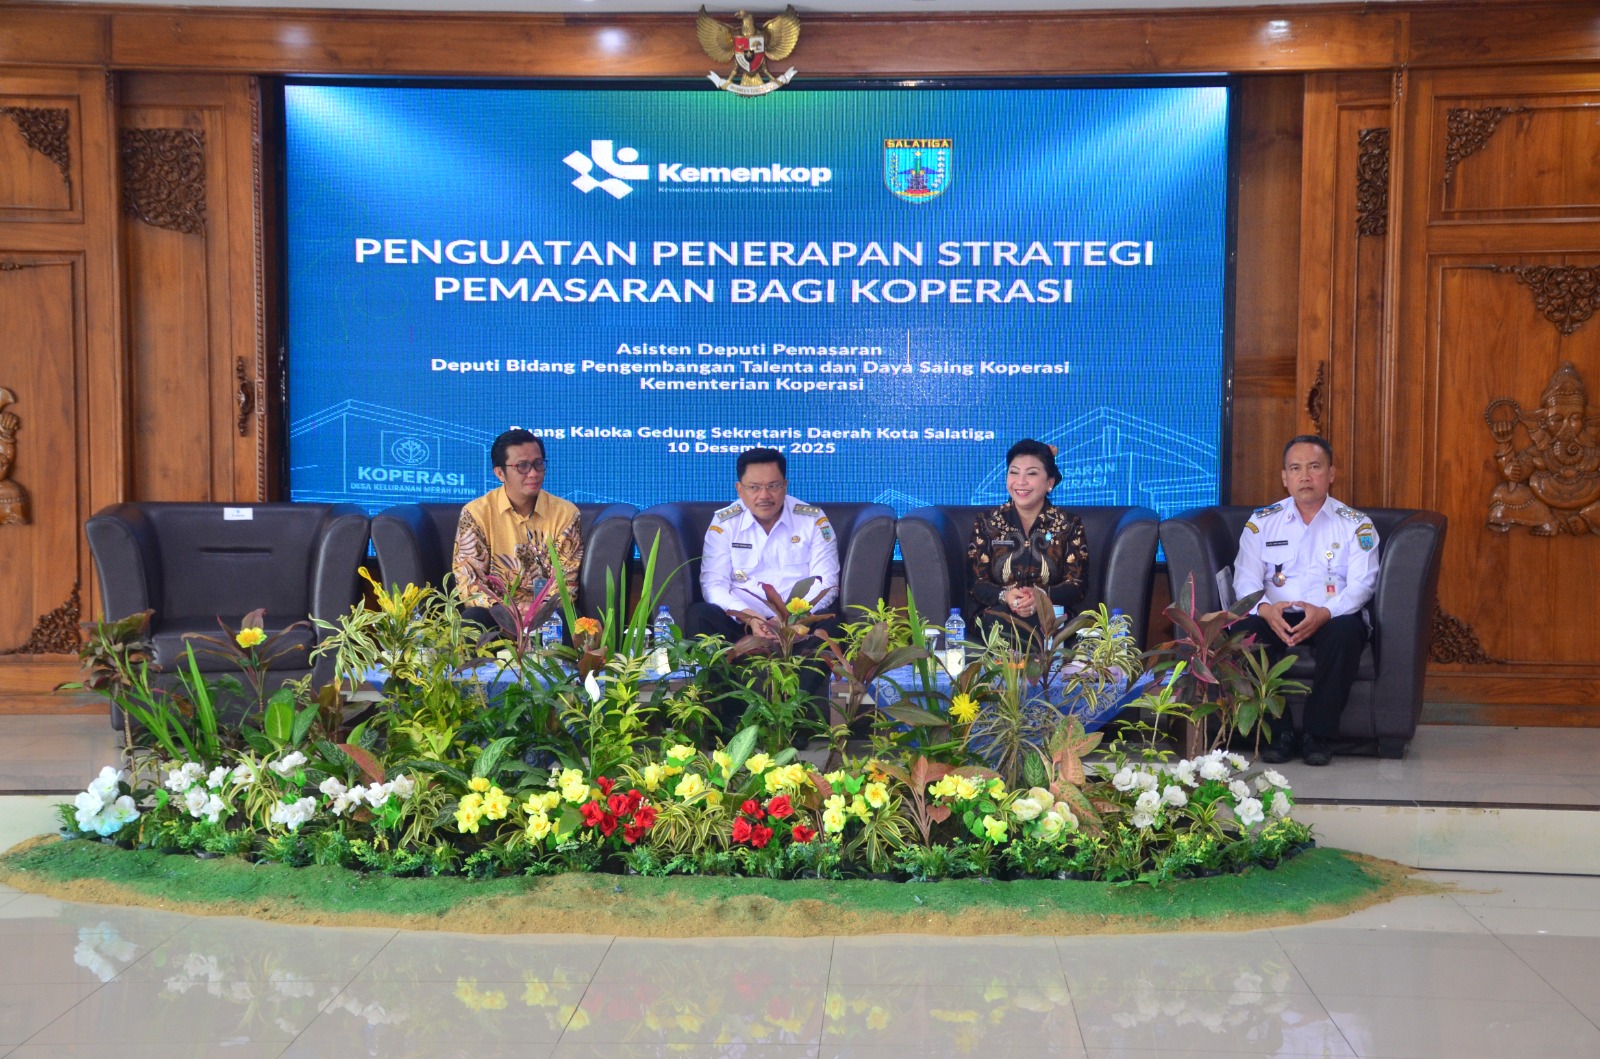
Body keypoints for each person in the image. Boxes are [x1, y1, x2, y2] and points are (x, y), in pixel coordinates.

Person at [1234, 434, 1379, 767]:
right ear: (1284, 477)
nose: (1305, 476)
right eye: (1296, 468)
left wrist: (1326, 612)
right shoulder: (1261, 522)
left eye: (1314, 467)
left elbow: (1363, 584)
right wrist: (1265, 610)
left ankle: (1318, 735)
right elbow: (1244, 579)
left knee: (1347, 633)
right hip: (1276, 614)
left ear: (1331, 474)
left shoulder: (1356, 525)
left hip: (1333, 615)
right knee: (1245, 632)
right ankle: (1279, 733)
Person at [688, 448, 840, 725]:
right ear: (740, 489)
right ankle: (733, 720)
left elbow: (826, 582)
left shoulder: (812, 519)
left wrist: (790, 619)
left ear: (785, 485)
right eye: (754, 487)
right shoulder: (725, 522)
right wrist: (751, 618)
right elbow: (713, 584)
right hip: (743, 622)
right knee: (700, 616)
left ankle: (794, 718)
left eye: (773, 486)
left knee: (830, 625)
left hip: (797, 622)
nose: (764, 496)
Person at [452, 428, 583, 621]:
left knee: (568, 617)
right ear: (500, 473)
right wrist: (505, 610)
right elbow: (469, 582)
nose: (533, 473)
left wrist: (539, 609)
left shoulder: (565, 513)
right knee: (473, 618)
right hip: (497, 614)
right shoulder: (476, 513)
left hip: (546, 613)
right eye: (522, 466)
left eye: (538, 464)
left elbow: (566, 582)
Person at [966, 438, 1089, 636]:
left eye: (1031, 473)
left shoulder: (1069, 523)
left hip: (1051, 617)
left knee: (1052, 626)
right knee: (998, 624)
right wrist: (1006, 596)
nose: (1020, 481)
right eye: (1014, 472)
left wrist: (1039, 597)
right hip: (999, 617)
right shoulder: (987, 522)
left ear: (1050, 482)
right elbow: (976, 583)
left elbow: (1077, 586)